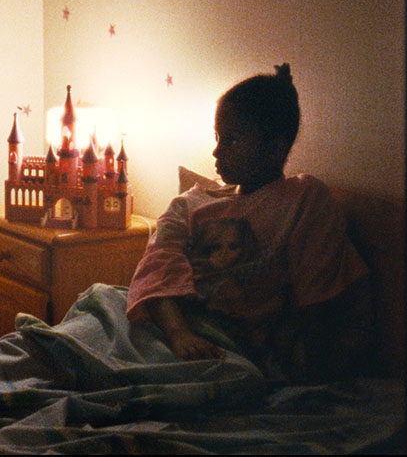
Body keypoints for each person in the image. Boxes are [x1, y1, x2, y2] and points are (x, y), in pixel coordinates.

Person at [126, 63, 373, 380]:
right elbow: (157, 271)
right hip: (169, 326)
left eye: (231, 141)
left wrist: (306, 377)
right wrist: (178, 333)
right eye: (217, 137)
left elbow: (317, 302)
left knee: (223, 377)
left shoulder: (302, 201)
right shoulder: (188, 204)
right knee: (94, 305)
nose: (216, 152)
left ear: (274, 148)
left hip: (226, 346)